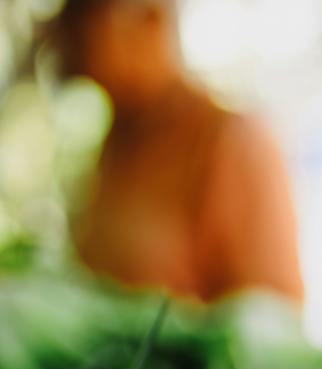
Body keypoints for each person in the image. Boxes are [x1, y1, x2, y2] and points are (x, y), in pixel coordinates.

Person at [49, 0, 304, 304]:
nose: (71, 50)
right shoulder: (118, 142)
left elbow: (275, 321)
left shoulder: (232, 141)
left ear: (150, 19)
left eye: (82, 24)